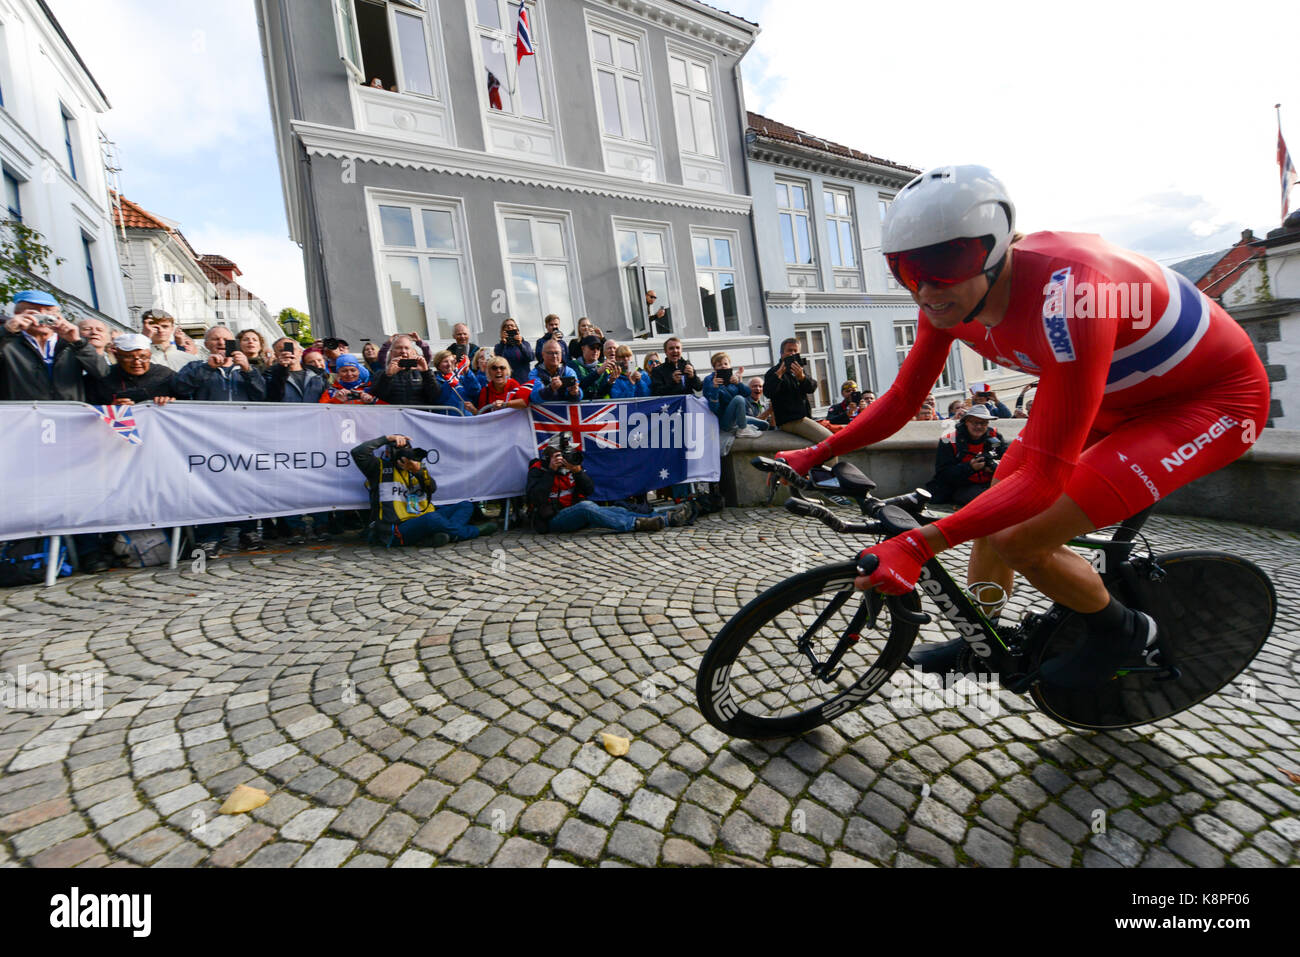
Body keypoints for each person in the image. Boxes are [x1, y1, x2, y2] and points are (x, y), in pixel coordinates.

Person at [775, 164, 1271, 689]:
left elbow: (1044, 479)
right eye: (905, 269)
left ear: (993, 251)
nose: (925, 287)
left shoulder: (1071, 293)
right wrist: (817, 452)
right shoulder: (945, 299)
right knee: (991, 511)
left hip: (1208, 404)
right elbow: (902, 399)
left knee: (1020, 537)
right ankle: (982, 642)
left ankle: (1123, 634)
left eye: (946, 263)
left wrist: (920, 545)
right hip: (1112, 398)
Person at [351, 434, 495, 545]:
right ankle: (471, 532)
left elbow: (431, 489)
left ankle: (447, 534)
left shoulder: (416, 467)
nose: (404, 457)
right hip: (397, 528)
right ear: (389, 453)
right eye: (399, 451)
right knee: (432, 518)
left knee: (466, 505)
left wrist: (419, 472)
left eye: (407, 451)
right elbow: (358, 452)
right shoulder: (379, 468)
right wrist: (388, 438)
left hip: (422, 517)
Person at [526, 439, 686, 534]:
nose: (564, 459)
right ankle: (633, 525)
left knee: (618, 510)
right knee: (586, 507)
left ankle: (666, 519)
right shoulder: (539, 469)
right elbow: (536, 498)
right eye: (559, 456)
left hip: (574, 513)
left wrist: (578, 472)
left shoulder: (570, 468)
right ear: (549, 458)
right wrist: (551, 471)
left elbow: (589, 490)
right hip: (552, 520)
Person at [1, 290, 109, 401]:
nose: (42, 316)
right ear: (18, 315)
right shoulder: (8, 343)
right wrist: (6, 330)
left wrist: (78, 342)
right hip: (23, 414)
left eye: (49, 311)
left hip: (67, 413)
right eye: (34, 311)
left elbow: (102, 372)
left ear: (58, 316)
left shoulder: (72, 344)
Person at [763, 339, 833, 459]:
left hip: (802, 418)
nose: (792, 354)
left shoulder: (798, 370)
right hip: (790, 420)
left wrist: (802, 378)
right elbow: (768, 392)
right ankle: (828, 475)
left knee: (827, 442)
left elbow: (812, 387)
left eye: (795, 351)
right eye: (789, 351)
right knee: (830, 441)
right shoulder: (773, 372)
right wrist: (778, 375)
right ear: (782, 353)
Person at [923, 405, 1005, 507]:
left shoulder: (995, 435)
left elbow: (1007, 459)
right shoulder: (948, 440)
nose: (979, 426)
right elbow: (943, 474)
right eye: (975, 422)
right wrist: (970, 467)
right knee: (988, 501)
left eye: (983, 423)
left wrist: (994, 468)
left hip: (990, 482)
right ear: (966, 422)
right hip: (961, 486)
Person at [172, 326, 267, 402]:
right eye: (215, 339)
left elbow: (262, 396)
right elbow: (180, 389)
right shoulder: (194, 366)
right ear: (206, 344)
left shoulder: (248, 369)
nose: (221, 342)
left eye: (226, 339)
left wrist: (248, 371)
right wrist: (207, 368)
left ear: (234, 343)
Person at [372, 335, 463, 411]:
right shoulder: (382, 373)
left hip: (419, 420)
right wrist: (388, 376)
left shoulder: (422, 372)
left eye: (406, 348)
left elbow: (435, 397)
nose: (403, 351)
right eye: (399, 348)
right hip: (394, 420)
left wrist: (426, 372)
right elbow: (378, 397)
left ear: (412, 352)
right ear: (391, 353)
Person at [87, 334, 177, 406]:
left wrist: (172, 402)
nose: (137, 362)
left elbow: (186, 402)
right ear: (117, 356)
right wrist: (111, 409)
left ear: (150, 355)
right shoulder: (103, 377)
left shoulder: (166, 375)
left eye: (143, 357)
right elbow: (90, 411)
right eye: (129, 357)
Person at [702, 351, 761, 438]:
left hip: (737, 419)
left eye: (726, 364)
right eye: (719, 365)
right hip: (723, 422)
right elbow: (713, 408)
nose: (723, 366)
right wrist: (715, 388)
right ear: (715, 368)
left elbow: (748, 393)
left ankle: (742, 427)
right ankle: (742, 429)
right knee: (738, 399)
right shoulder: (709, 380)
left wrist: (739, 383)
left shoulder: (732, 378)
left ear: (730, 366)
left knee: (764, 425)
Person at [494, 318, 534, 382]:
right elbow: (497, 361)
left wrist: (520, 345)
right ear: (503, 331)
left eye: (512, 326)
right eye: (506, 326)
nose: (509, 327)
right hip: (507, 381)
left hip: (523, 380)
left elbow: (530, 358)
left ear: (517, 330)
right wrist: (503, 343)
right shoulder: (499, 346)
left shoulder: (525, 344)